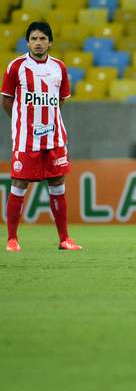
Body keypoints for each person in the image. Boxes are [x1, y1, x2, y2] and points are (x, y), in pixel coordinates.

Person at [1, 22, 81, 251]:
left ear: (50, 42)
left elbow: (61, 99)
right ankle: (12, 239)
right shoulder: (16, 67)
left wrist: (47, 122)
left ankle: (64, 238)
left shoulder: (59, 67)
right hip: (26, 138)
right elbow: (6, 100)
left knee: (57, 184)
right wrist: (23, 121)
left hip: (54, 137)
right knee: (19, 183)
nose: (38, 42)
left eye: (43, 39)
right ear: (28, 42)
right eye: (34, 38)